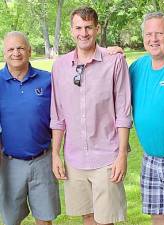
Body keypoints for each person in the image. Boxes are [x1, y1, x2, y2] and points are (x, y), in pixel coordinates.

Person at [50, 6, 132, 225]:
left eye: (88, 27)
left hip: (107, 157)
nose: (83, 33)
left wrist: (122, 155)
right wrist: (56, 154)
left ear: (97, 28)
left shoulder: (115, 61)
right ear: (71, 30)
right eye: (78, 27)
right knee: (88, 217)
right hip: (74, 158)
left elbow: (123, 114)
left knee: (106, 219)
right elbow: (57, 116)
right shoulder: (59, 67)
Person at [129, 12, 164, 225]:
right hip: (150, 159)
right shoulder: (137, 68)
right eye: (148, 34)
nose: (153, 39)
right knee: (159, 217)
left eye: (159, 33)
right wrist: (110, 54)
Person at [0, 31, 61, 225]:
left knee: (44, 220)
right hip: (9, 162)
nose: (16, 53)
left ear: (29, 50)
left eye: (20, 48)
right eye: (11, 49)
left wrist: (108, 53)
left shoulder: (48, 80)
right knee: (11, 220)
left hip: (43, 159)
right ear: (4, 53)